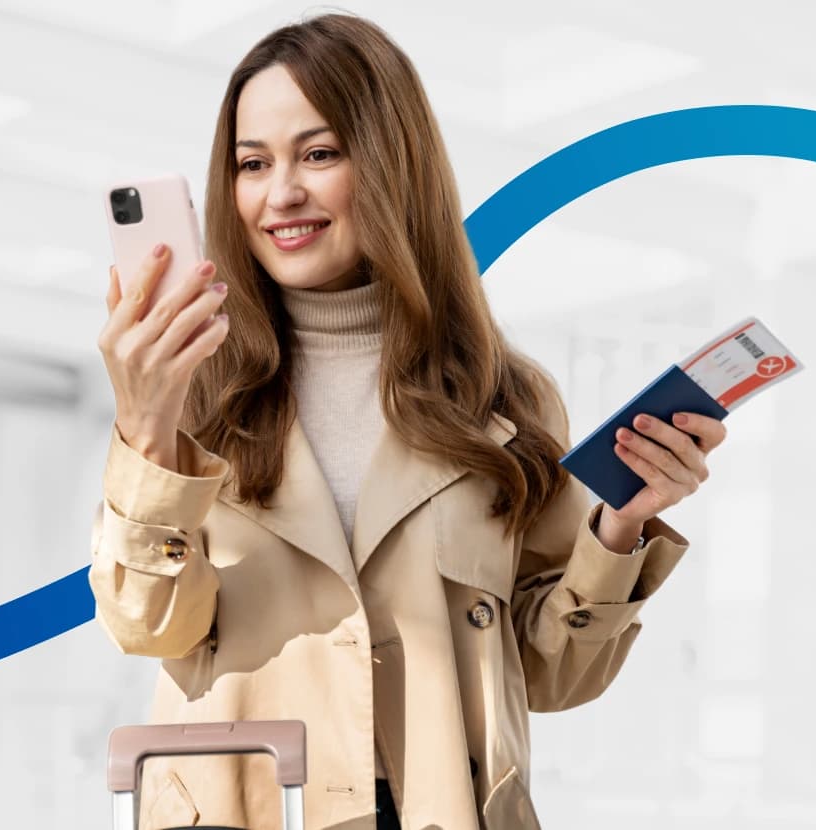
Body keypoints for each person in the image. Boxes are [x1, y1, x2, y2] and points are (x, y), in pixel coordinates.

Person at [90, 12, 726, 830]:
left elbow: (553, 675)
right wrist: (147, 427)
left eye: (319, 154)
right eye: (253, 164)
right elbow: (146, 627)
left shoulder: (501, 399)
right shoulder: (193, 393)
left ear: (392, 164)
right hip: (252, 811)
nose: (280, 194)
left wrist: (619, 528)